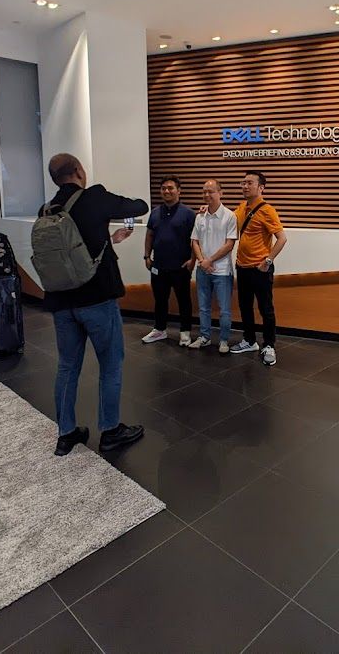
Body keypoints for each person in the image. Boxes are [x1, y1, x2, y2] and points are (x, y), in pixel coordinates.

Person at [40, 153, 149, 456]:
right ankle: (111, 430)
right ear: (78, 171)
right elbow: (140, 206)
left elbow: (71, 250)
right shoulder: (95, 197)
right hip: (97, 298)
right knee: (110, 364)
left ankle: (66, 432)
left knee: (67, 366)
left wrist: (107, 237)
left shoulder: (47, 209)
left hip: (61, 301)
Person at [231, 170, 288, 366]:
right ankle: (249, 340)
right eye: (243, 182)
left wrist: (268, 261)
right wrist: (208, 207)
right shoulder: (241, 207)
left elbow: (282, 238)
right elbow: (226, 218)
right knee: (245, 307)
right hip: (242, 267)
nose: (244, 186)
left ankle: (269, 345)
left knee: (266, 309)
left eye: (249, 183)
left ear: (261, 187)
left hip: (260, 269)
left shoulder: (267, 210)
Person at [141, 175, 197, 345]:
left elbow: (195, 240)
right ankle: (159, 330)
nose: (167, 191)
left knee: (184, 300)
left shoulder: (188, 214)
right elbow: (150, 234)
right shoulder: (155, 213)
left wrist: (192, 260)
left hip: (181, 267)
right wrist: (146, 256)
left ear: (179, 191)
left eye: (171, 188)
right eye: (164, 188)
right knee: (160, 300)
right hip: (158, 266)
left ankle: (185, 332)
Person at [189, 179, 238, 353]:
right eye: (204, 192)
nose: (207, 195)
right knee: (203, 307)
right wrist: (203, 261)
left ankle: (224, 340)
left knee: (224, 310)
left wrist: (210, 261)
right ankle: (204, 337)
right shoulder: (199, 216)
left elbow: (229, 244)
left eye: (211, 191)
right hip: (202, 269)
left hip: (222, 271)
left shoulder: (230, 216)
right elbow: (194, 241)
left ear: (220, 193)